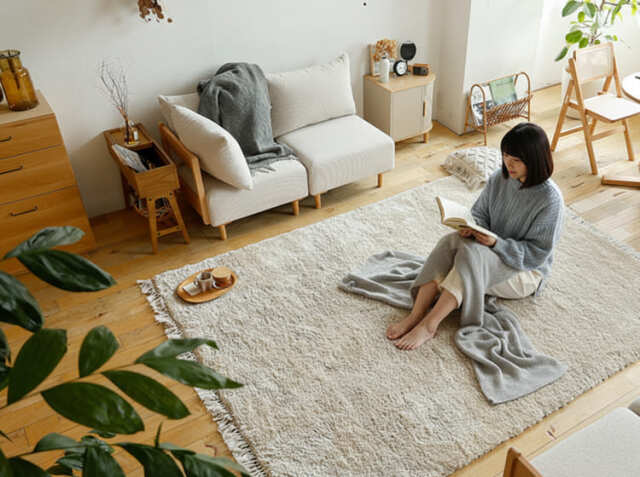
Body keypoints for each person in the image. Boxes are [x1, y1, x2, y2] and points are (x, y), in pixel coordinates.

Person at [387, 122, 564, 350]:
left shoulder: (550, 200)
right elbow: (480, 213)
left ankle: (430, 325)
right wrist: (472, 228)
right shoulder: (500, 178)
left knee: (470, 258)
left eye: (516, 160)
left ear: (535, 159)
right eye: (505, 156)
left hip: (524, 270)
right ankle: (416, 314)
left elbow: (536, 253)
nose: (508, 164)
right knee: (451, 241)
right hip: (489, 249)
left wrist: (497, 243)